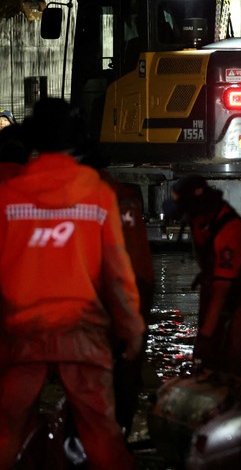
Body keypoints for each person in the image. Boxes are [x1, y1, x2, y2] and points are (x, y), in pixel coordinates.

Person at [0, 98, 144, 470]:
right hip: (82, 332)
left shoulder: (9, 196)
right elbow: (117, 273)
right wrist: (131, 329)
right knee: (103, 436)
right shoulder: (97, 193)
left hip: (21, 333)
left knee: (5, 432)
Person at [78, 140, 154, 436]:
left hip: (100, 304)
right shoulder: (122, 197)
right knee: (124, 375)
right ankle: (119, 430)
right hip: (130, 298)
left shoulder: (85, 198)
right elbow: (138, 266)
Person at [162, 175, 241, 378]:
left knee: (234, 349)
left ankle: (235, 385)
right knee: (206, 351)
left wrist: (204, 336)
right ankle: (205, 375)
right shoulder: (198, 218)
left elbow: (221, 293)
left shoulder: (229, 232)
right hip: (217, 279)